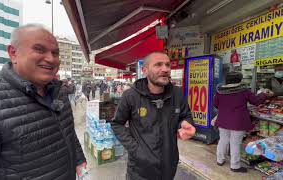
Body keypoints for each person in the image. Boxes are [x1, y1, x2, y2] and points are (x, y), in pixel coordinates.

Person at [0, 24, 86, 179]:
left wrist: (79, 159)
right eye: (39, 50)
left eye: (55, 53)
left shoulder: (59, 92)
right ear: (13, 53)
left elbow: (68, 133)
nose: (51, 59)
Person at [111, 51, 196, 180]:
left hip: (169, 167)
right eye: (158, 65)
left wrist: (185, 123)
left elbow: (185, 115)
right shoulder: (130, 96)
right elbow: (117, 124)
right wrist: (136, 150)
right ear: (145, 70)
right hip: (139, 170)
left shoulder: (177, 94)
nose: (165, 69)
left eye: (168, 65)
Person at [213, 71, 273, 173]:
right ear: (239, 80)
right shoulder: (243, 90)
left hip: (223, 120)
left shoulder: (220, 91)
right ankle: (235, 166)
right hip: (238, 121)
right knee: (235, 143)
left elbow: (216, 105)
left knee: (223, 140)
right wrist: (264, 94)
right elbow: (255, 101)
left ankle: (220, 160)